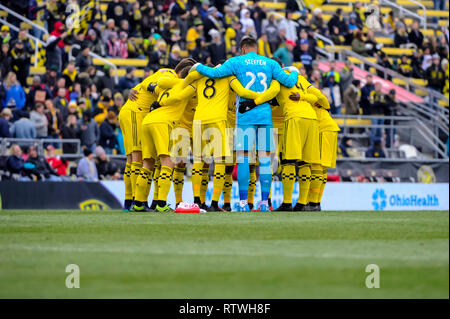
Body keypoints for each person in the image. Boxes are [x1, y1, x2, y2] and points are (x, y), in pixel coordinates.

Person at [191, 36, 299, 212]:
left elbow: (214, 73)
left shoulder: (236, 61)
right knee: (265, 160)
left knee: (243, 159)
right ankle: (264, 203)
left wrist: (197, 66)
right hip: (265, 116)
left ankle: (242, 203)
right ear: (256, 49)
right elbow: (289, 82)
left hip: (245, 116)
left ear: (242, 49)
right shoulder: (269, 63)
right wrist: (294, 70)